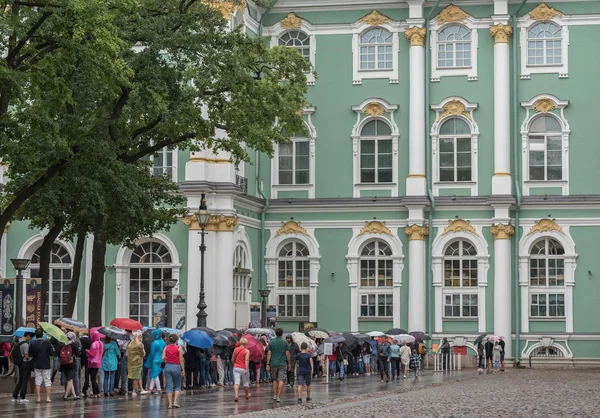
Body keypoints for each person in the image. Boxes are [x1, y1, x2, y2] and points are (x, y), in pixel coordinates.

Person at [28, 328, 55, 403]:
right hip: (46, 364)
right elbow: (51, 354)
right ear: (42, 335)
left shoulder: (32, 343)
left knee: (38, 381)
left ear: (35, 336)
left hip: (36, 364)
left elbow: (30, 354)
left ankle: (38, 398)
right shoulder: (47, 343)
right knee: (47, 381)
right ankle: (47, 398)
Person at [265, 327, 290, 403]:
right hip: (282, 363)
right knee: (281, 379)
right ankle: (279, 396)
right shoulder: (285, 342)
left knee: (274, 380)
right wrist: (289, 363)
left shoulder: (272, 342)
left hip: (273, 363)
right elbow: (287, 354)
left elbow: (269, 353)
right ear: (282, 333)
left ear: (275, 333)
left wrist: (268, 363)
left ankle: (275, 395)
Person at [161, 334, 185, 409]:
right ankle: (175, 402)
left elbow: (163, 358)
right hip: (176, 367)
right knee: (177, 385)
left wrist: (168, 358)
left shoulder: (166, 347)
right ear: (176, 340)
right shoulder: (179, 348)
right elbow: (181, 359)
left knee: (169, 386)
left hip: (167, 367)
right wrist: (183, 369)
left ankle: (170, 404)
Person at [11, 331, 34, 403]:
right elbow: (26, 355)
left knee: (21, 380)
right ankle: (22, 397)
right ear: (28, 336)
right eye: (30, 337)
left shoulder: (18, 341)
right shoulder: (25, 344)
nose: (30, 339)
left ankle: (15, 395)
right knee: (24, 381)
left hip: (20, 363)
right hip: (25, 363)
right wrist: (31, 357)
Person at [60, 332, 82, 401]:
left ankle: (74, 395)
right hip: (71, 363)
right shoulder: (74, 344)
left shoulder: (63, 343)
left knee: (68, 379)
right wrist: (79, 351)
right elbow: (78, 355)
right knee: (70, 380)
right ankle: (66, 395)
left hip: (64, 363)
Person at [144, 328, 166, 394]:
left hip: (155, 359)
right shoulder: (163, 342)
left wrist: (151, 360)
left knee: (155, 374)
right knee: (155, 373)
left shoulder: (154, 343)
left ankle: (159, 389)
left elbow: (152, 353)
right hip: (161, 359)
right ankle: (151, 388)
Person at [128, 330, 147, 395]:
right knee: (136, 377)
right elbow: (143, 354)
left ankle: (141, 389)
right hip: (138, 362)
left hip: (132, 362)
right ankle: (134, 390)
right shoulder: (139, 344)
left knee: (138, 376)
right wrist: (142, 350)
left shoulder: (130, 344)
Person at [86, 330, 104, 398]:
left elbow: (92, 354)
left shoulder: (94, 344)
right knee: (95, 377)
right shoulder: (101, 343)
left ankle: (96, 392)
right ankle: (97, 392)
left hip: (92, 362)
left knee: (93, 378)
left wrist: (87, 351)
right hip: (98, 362)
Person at [232, 338, 250, 402]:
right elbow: (246, 360)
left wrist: (234, 364)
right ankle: (247, 394)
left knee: (236, 382)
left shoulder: (235, 349)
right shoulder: (247, 351)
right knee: (245, 382)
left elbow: (233, 359)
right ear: (246, 344)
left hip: (236, 368)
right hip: (243, 368)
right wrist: (246, 368)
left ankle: (236, 395)